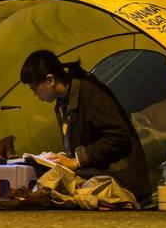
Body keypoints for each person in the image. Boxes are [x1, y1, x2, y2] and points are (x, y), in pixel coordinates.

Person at [20, 49, 150, 202]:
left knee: (56, 184)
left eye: (35, 88)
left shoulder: (88, 92)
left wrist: (77, 161)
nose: (35, 95)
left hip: (120, 176)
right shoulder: (63, 102)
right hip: (97, 170)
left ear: (50, 80)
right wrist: (64, 157)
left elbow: (118, 136)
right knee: (50, 176)